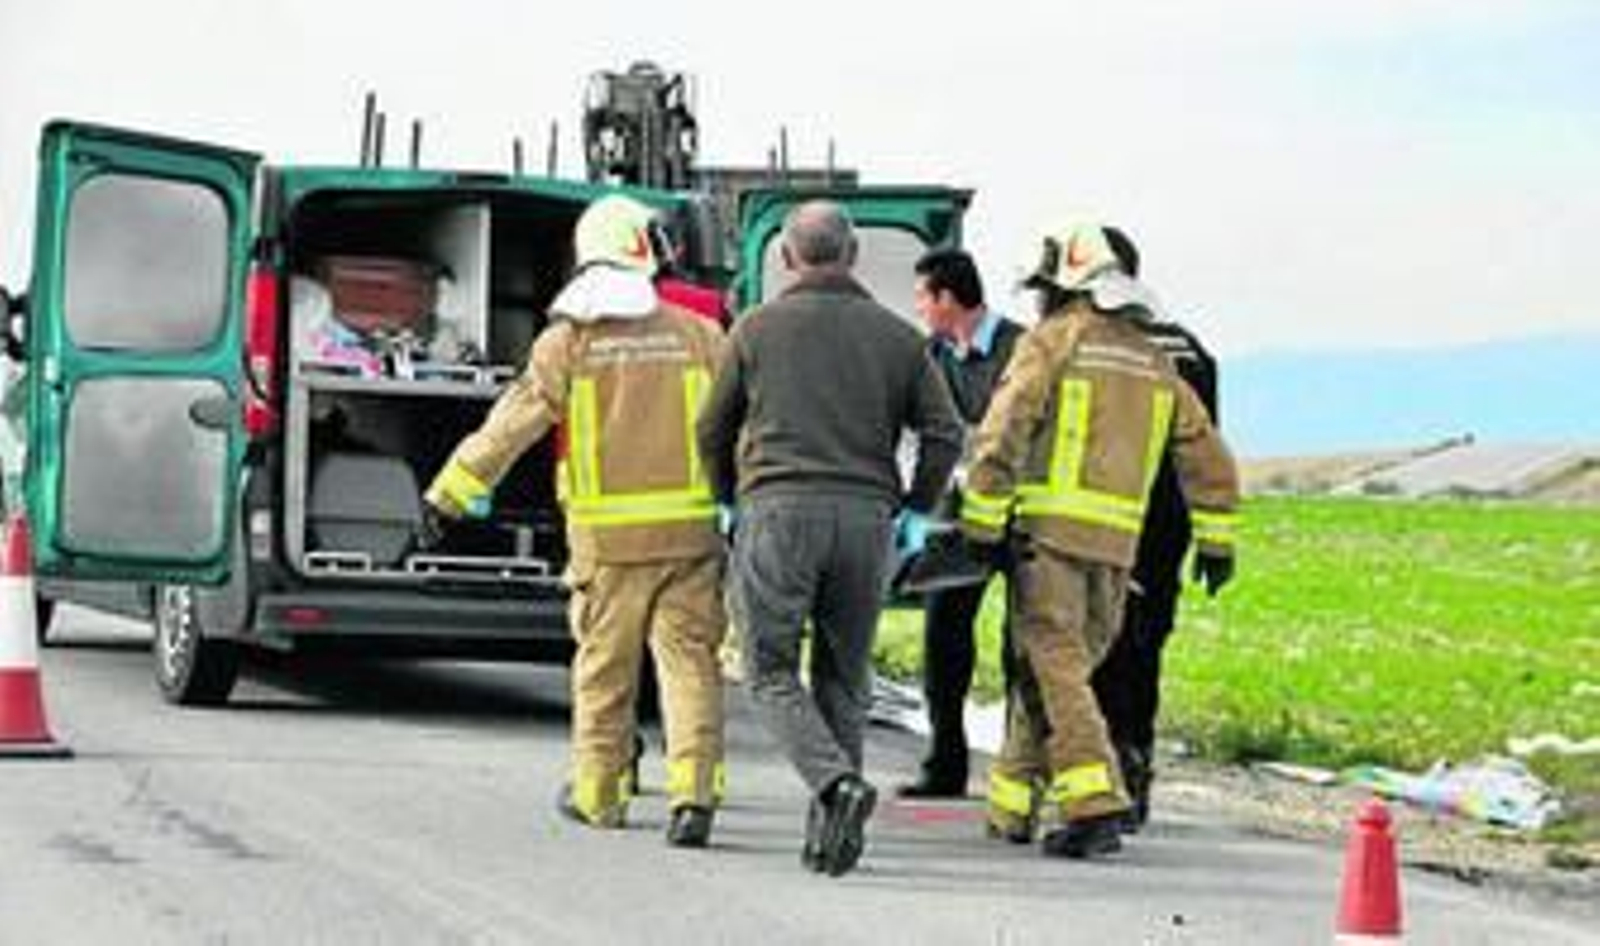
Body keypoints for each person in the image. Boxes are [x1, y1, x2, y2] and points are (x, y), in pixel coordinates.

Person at [423, 194, 728, 848]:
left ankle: (599, 795)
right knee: (688, 664)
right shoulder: (700, 335)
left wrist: (448, 494)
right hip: (692, 536)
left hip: (607, 544)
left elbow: (511, 426)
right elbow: (742, 423)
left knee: (604, 670)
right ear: (644, 251)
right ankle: (693, 793)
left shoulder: (569, 342)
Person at [696, 201, 963, 876]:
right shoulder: (899, 338)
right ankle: (832, 838)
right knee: (844, 679)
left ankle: (834, 785)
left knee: (768, 668)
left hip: (778, 514)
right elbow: (945, 433)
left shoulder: (755, 329)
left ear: (787, 257)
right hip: (867, 523)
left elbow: (710, 428)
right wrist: (915, 507)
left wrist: (727, 498)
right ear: (850, 255)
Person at [958, 220, 1239, 859]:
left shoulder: (1050, 343)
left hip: (1048, 542)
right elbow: (1207, 454)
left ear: (1063, 285)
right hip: (1119, 551)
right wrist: (1217, 539)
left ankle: (1094, 804)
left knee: (1053, 667)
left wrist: (980, 524)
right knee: (1058, 672)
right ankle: (1011, 808)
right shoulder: (1153, 359)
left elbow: (1002, 433)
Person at [1089, 226, 1222, 832]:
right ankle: (1134, 764)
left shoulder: (1105, 345)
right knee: (1144, 649)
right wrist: (1214, 535)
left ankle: (1103, 779)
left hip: (1097, 517)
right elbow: (1206, 451)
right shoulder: (1191, 351)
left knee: (1088, 650)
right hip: (1166, 527)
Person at [898, 248, 1025, 799]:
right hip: (958, 520)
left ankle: (1022, 767)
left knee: (1024, 644)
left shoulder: (1022, 350)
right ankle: (945, 761)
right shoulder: (930, 355)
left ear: (948, 298)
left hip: (1022, 519)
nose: (919, 308)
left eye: (923, 297)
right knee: (944, 636)